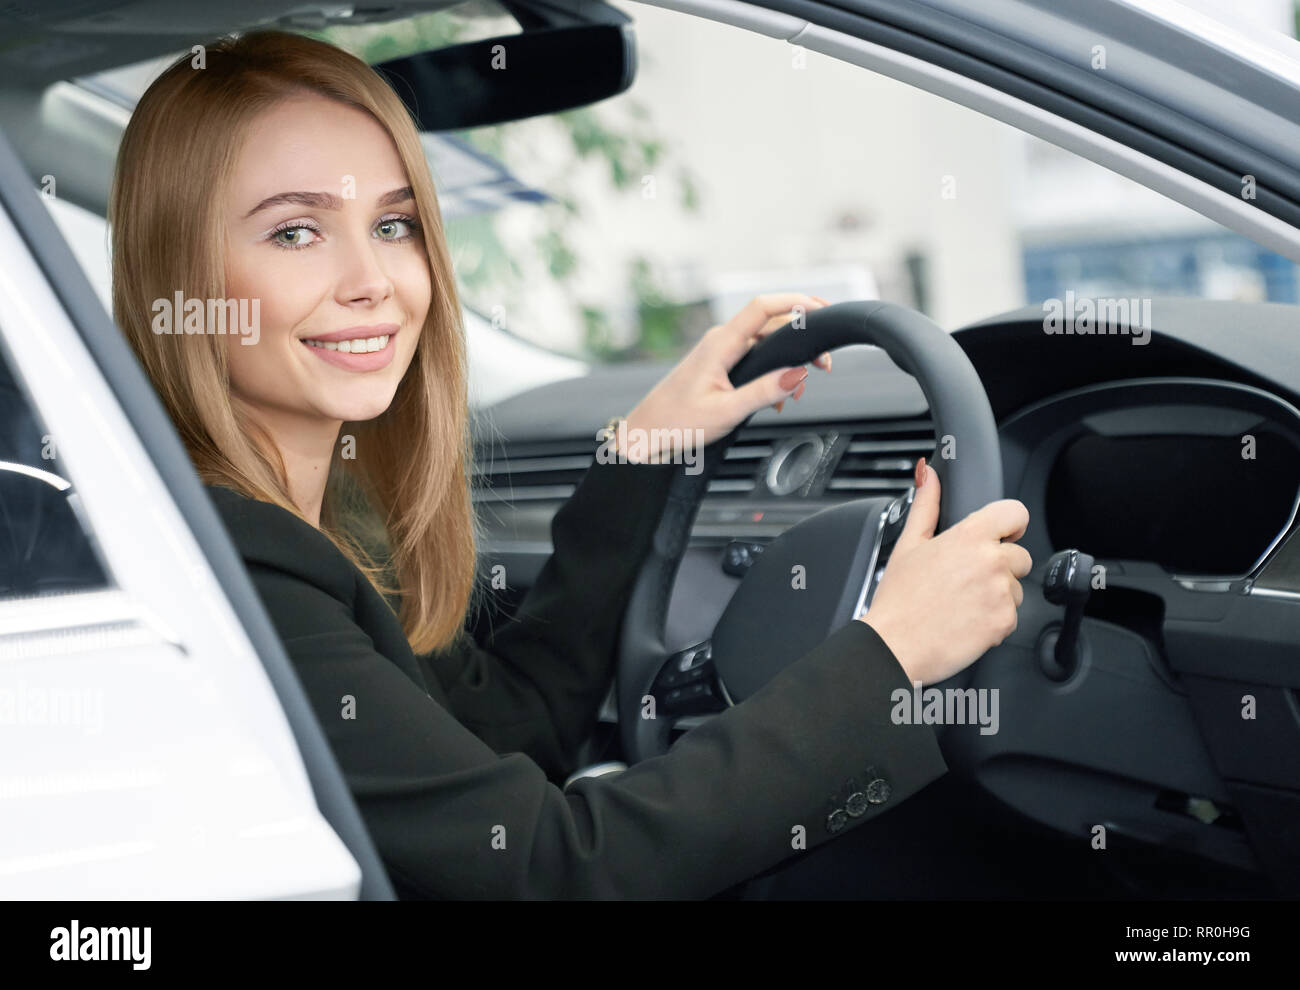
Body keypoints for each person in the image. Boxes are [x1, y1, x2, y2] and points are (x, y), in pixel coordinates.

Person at [108, 30, 1032, 899]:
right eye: (296, 233)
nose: (372, 281)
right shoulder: (241, 566)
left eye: (394, 226)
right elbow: (556, 870)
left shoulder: (318, 521)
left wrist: (646, 447)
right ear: (178, 280)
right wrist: (892, 654)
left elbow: (511, 723)